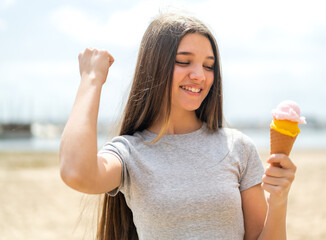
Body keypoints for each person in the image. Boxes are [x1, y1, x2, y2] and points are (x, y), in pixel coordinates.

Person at [59, 13, 296, 240]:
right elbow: (75, 172)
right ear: (155, 66)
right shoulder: (129, 154)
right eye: (184, 61)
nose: (200, 75)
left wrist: (278, 201)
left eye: (209, 66)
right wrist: (91, 80)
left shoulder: (238, 148)